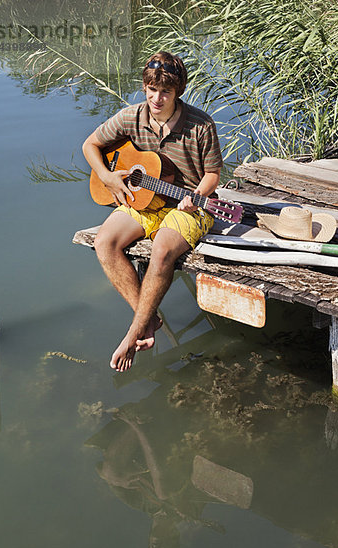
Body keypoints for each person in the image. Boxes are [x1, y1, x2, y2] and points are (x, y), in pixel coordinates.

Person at [82, 51, 223, 372]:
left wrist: (197, 194)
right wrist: (107, 176)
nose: (157, 98)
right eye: (151, 90)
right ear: (144, 87)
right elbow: (89, 145)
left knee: (161, 252)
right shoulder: (132, 117)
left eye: (165, 92)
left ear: (178, 92)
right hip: (144, 201)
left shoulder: (200, 124)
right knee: (105, 242)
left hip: (189, 204)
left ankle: (133, 332)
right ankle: (148, 321)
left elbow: (213, 175)